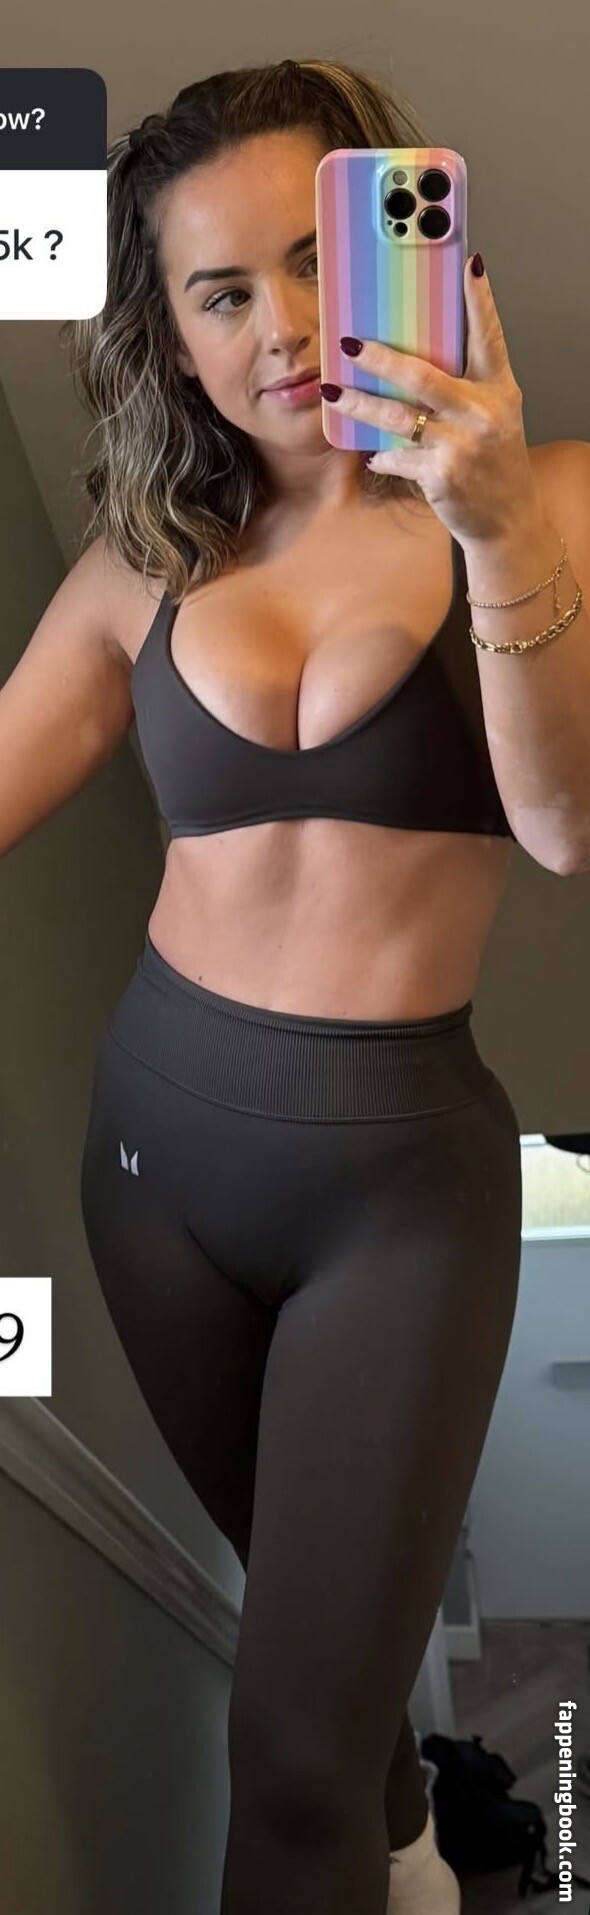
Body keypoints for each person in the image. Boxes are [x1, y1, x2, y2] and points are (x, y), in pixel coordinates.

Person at [8, 53, 580, 1915]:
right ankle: (407, 1807)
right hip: (153, 1168)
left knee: (295, 1763)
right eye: (220, 291)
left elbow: (561, 826)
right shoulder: (142, 566)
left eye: (319, 259)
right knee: (308, 1635)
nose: (281, 327)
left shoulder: (558, 501)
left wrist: (492, 523)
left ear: (412, 246)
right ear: (171, 342)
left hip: (399, 1187)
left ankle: (389, 1823)